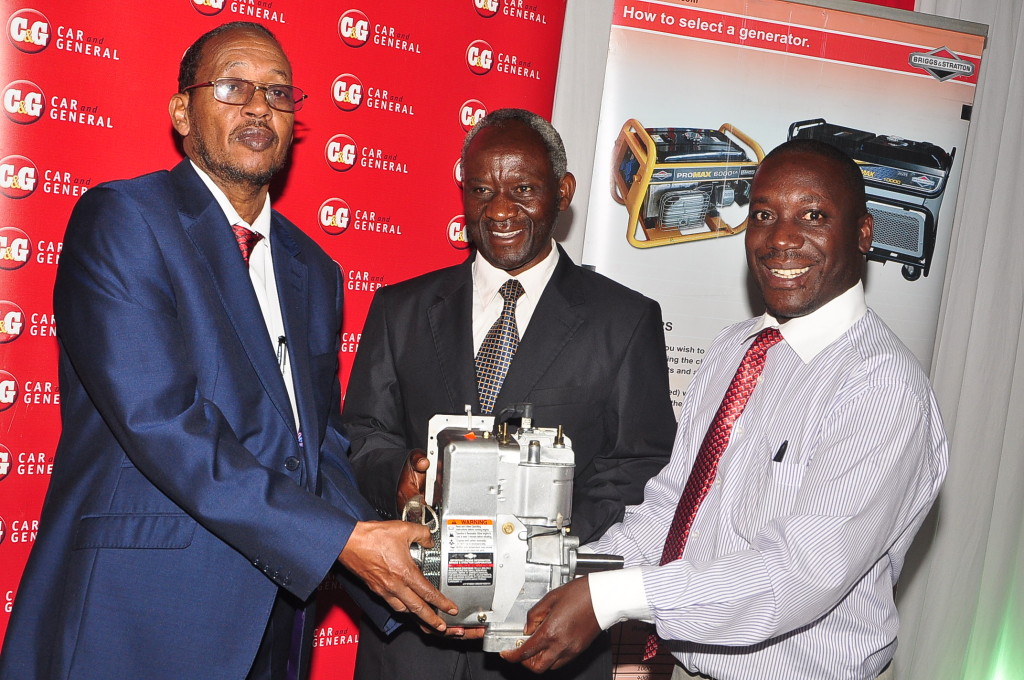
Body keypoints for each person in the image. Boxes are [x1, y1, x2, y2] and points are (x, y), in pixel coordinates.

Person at [0, 22, 455, 680]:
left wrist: (402, 568)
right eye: (232, 86)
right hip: (139, 615)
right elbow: (162, 423)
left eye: (276, 92)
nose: (257, 105)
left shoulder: (315, 269)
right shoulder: (125, 219)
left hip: (276, 623)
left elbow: (315, 446)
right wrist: (343, 543)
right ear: (183, 111)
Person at [501, 139, 949, 680]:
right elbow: (671, 510)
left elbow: (795, 575)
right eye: (763, 214)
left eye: (812, 215)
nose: (781, 238)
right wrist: (557, 576)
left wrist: (610, 597)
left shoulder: (880, 385)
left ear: (863, 232)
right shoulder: (734, 349)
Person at [342, 108, 677, 680]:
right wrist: (400, 473)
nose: (499, 210)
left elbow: (640, 464)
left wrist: (539, 544)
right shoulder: (400, 309)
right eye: (480, 189)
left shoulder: (623, 320)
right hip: (411, 642)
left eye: (523, 189)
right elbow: (360, 437)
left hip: (548, 633)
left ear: (563, 191)